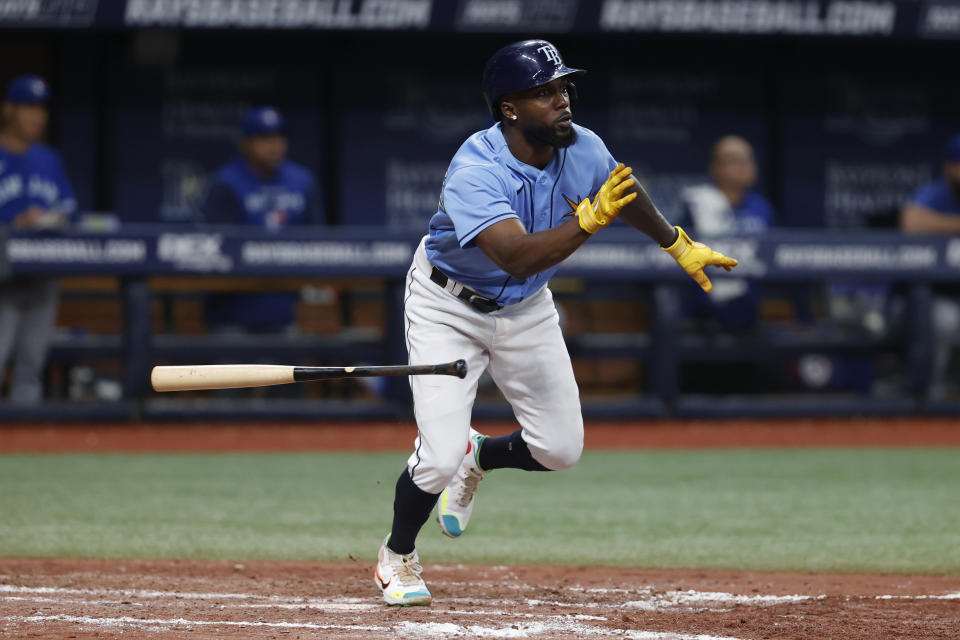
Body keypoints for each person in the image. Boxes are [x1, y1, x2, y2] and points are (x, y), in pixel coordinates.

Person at [373, 40, 738, 606]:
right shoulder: (474, 168)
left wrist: (678, 244)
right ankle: (397, 555)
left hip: (525, 308)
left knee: (561, 448)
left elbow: (623, 189)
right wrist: (588, 224)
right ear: (509, 109)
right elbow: (517, 256)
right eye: (543, 92)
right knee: (438, 454)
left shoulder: (582, 145)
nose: (561, 99)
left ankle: (482, 456)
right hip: (447, 305)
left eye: (562, 87)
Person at [202, 106, 322, 333]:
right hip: (232, 313)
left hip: (284, 309)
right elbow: (216, 251)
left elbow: (316, 240)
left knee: (288, 366)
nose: (274, 145)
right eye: (264, 138)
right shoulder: (225, 183)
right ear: (245, 143)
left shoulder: (303, 181)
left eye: (279, 136)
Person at [0, 75, 75, 404]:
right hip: (3, 278)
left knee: (31, 366)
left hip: (43, 274)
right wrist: (12, 223)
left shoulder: (50, 159)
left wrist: (45, 218)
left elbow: (69, 208)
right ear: (8, 110)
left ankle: (22, 448)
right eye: (28, 107)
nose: (37, 116)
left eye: (41, 109)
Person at [676, 135, 773, 332]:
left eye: (748, 159)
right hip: (701, 319)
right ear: (715, 168)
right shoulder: (697, 206)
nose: (743, 166)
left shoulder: (762, 209)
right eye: (734, 160)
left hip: (750, 318)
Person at [900, 134, 960, 399]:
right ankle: (931, 392)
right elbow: (911, 222)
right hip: (942, 293)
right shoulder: (935, 193)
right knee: (943, 320)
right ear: (949, 167)